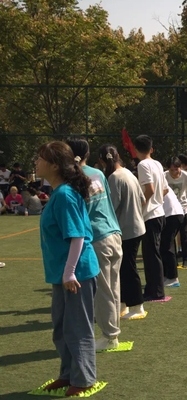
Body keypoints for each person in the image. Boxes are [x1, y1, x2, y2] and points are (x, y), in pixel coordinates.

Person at [35, 141, 99, 397]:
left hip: (76, 274)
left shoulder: (64, 195)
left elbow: (77, 236)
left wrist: (70, 272)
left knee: (77, 328)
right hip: (63, 274)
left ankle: (84, 379)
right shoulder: (60, 193)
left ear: (54, 165)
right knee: (61, 327)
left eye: (41, 158)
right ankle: (68, 374)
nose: (36, 162)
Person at [67, 138, 123, 351]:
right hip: (114, 233)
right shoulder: (98, 173)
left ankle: (109, 336)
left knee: (103, 291)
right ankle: (113, 333)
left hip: (98, 237)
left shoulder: (73, 178)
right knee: (113, 288)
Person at [98, 145, 146, 320]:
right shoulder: (128, 173)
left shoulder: (114, 178)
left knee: (128, 269)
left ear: (102, 161)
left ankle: (137, 306)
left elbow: (110, 206)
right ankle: (124, 304)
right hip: (136, 226)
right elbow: (142, 199)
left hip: (126, 229)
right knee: (124, 268)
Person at [135, 135, 167, 301]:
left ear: (135, 149)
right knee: (151, 254)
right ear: (151, 149)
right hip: (159, 212)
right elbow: (165, 189)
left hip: (151, 215)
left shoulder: (142, 165)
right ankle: (152, 289)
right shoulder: (157, 164)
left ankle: (156, 291)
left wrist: (140, 205)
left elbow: (150, 189)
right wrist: (156, 201)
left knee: (152, 255)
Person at [165, 157, 187, 268]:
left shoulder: (185, 176)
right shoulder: (164, 176)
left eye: (176, 169)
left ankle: (185, 259)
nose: (174, 172)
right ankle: (173, 260)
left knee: (184, 234)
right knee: (171, 235)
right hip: (169, 210)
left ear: (180, 167)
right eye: (172, 170)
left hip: (183, 209)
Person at [161, 187, 185, 287]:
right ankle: (167, 275)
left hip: (171, 214)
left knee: (167, 246)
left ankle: (173, 278)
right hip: (174, 213)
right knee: (165, 245)